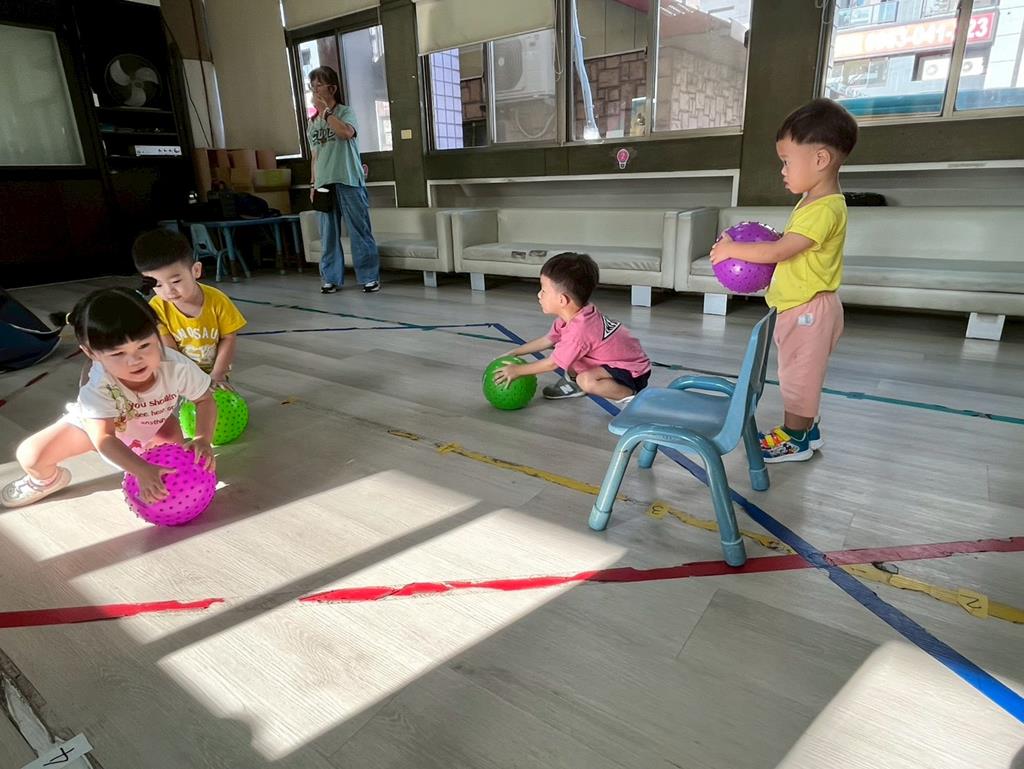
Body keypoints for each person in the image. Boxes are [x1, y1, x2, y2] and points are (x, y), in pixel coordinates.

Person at [710, 98, 858, 463]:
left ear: (820, 159)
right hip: (801, 307)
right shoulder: (814, 202)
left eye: (787, 161)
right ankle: (809, 430)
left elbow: (779, 251)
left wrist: (731, 250)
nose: (783, 170)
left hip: (809, 311)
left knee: (798, 376)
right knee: (799, 370)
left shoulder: (823, 209)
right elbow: (790, 251)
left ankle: (795, 439)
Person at [1, 288, 216, 509]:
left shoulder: (176, 366)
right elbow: (103, 438)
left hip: (153, 421)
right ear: (91, 353)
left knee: (174, 462)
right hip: (97, 427)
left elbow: (204, 400)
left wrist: (202, 438)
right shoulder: (98, 384)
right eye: (118, 353)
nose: (135, 360)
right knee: (30, 456)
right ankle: (45, 481)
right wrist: (140, 469)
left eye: (144, 346)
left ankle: (141, 454)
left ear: (157, 334)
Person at [495, 252, 651, 404]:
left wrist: (517, 371)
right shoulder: (575, 314)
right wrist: (515, 352)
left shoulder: (579, 330)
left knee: (586, 380)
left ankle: (632, 398)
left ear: (562, 300)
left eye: (544, 291)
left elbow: (552, 363)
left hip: (632, 371)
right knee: (566, 349)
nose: (539, 295)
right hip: (617, 361)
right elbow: (547, 340)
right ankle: (574, 382)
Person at [132, 228, 247, 390]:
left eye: (176, 281)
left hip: (215, 370)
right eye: (157, 285)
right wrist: (190, 379)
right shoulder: (157, 308)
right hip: (181, 372)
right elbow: (170, 349)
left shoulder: (218, 301)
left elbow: (228, 338)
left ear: (196, 270)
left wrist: (218, 373)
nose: (169, 291)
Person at [307, 65, 381, 294]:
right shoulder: (312, 123)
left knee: (359, 230)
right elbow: (315, 156)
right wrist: (313, 183)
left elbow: (346, 133)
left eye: (319, 85)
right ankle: (330, 278)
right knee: (328, 234)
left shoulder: (345, 112)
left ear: (332, 88)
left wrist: (327, 113)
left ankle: (369, 277)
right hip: (324, 183)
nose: (315, 90)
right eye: (312, 86)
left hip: (349, 180)